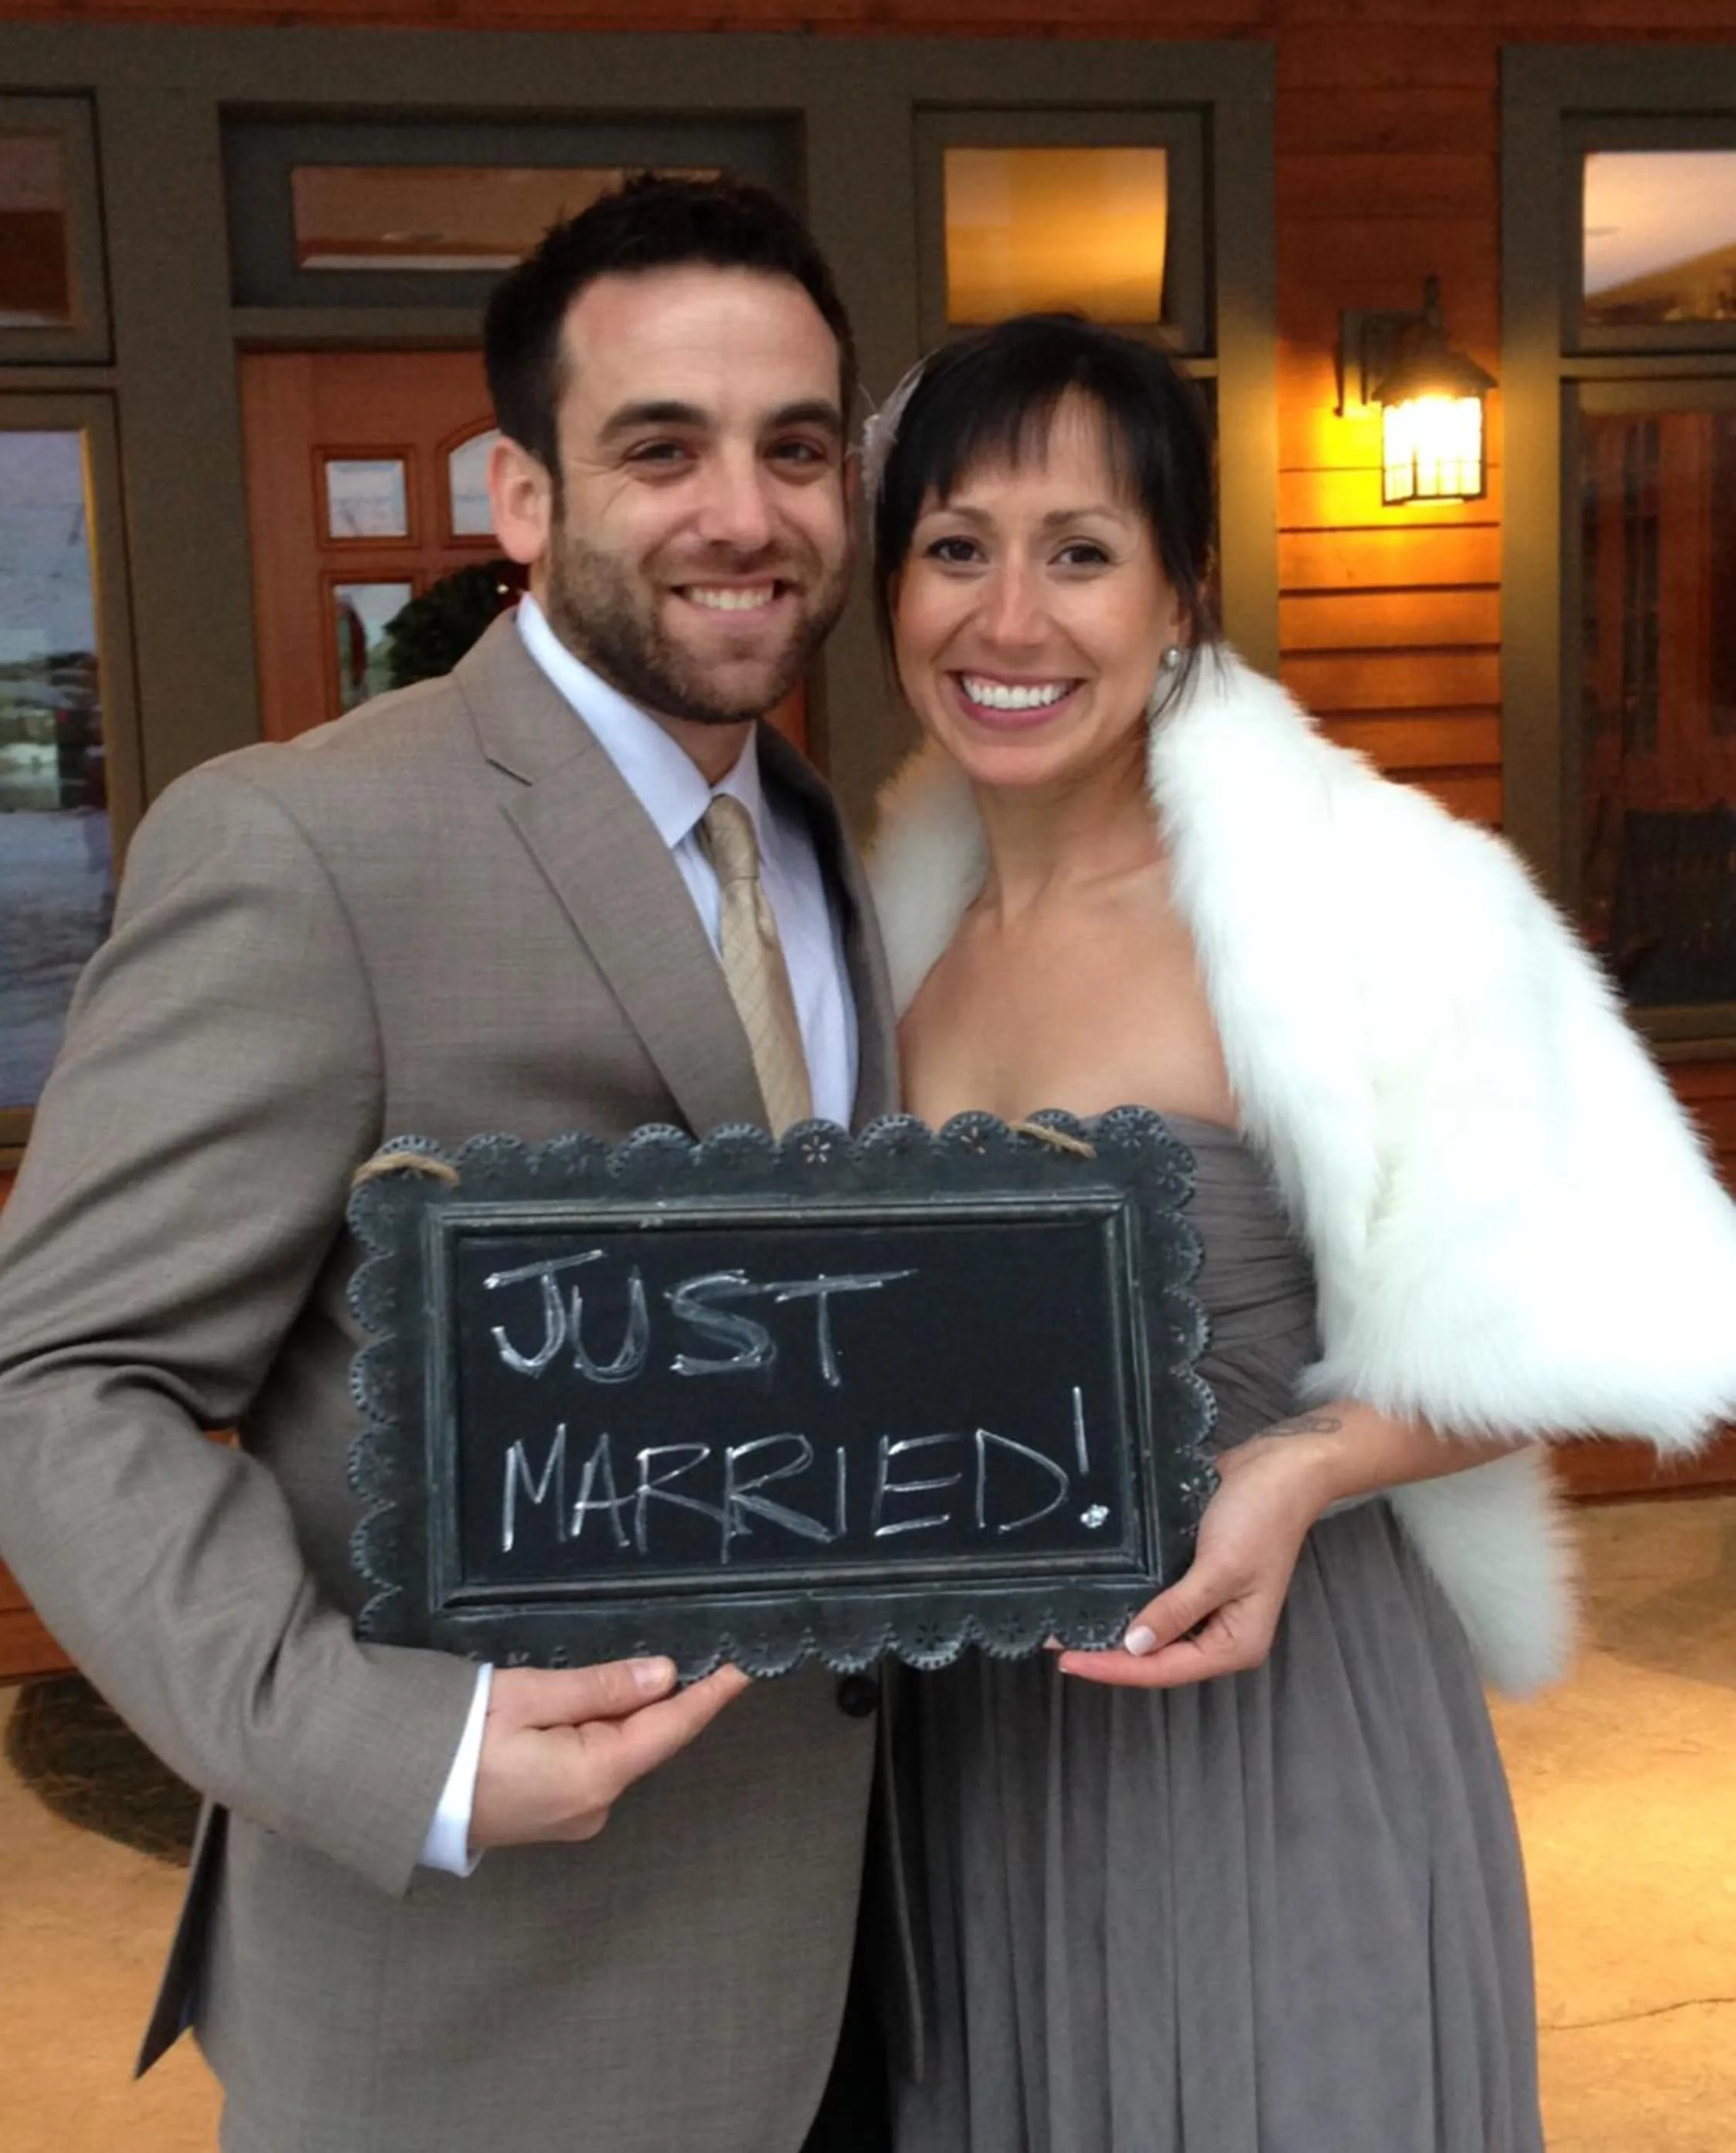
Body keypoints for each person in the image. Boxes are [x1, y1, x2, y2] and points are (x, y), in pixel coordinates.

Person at [0, 174, 900, 2153]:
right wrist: (388, 1746)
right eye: (659, 448)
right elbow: (62, 1381)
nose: (744, 512)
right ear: (522, 497)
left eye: (795, 447)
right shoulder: (306, 847)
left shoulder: (837, 845)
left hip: (856, 1972)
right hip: (485, 2019)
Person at [863, 313, 1736, 2152]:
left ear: (1182, 593)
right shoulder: (889, 942)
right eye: (955, 547)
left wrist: (1308, 1469)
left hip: (1276, 1723)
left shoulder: (1359, 898)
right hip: (980, 1756)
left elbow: (1613, 1302)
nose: (1008, 620)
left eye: (1079, 552)